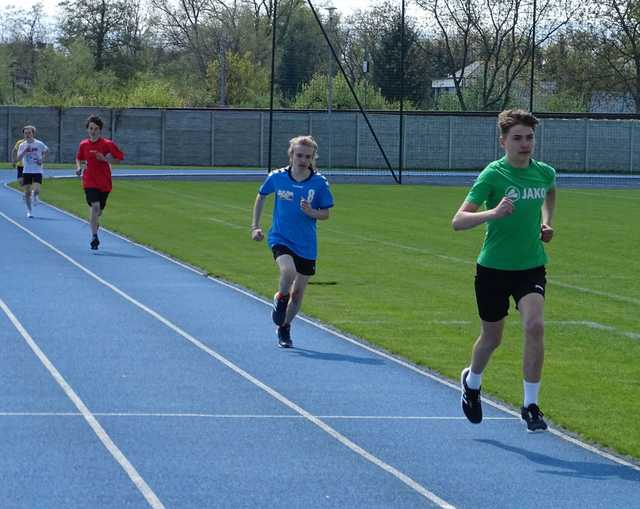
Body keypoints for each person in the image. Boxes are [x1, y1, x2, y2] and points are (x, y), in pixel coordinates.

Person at [451, 109, 557, 432]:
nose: (525, 144)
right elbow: (458, 221)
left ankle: (530, 405)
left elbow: (550, 191)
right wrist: (492, 213)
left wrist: (546, 220)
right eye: (517, 138)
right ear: (503, 141)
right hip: (493, 269)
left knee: (535, 325)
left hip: (530, 266)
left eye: (529, 138)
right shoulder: (492, 175)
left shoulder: (543, 173)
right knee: (492, 338)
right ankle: (472, 381)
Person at [251, 135, 334, 348]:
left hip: (306, 244)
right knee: (287, 272)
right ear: (291, 155)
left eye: (307, 156)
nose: (302, 159)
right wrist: (255, 226)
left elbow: (325, 214)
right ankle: (280, 298)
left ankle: (284, 328)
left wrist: (312, 211)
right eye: (299, 155)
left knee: (297, 295)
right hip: (281, 237)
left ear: (313, 158)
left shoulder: (319, 183)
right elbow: (261, 196)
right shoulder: (277, 177)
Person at [75, 115, 124, 250]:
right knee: (95, 207)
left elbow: (119, 159)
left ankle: (94, 223)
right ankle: (94, 237)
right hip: (89, 181)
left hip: (104, 183)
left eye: (96, 129)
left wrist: (105, 159)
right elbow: (78, 158)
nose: (93, 131)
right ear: (87, 130)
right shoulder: (83, 144)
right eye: (91, 128)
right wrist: (78, 168)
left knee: (98, 212)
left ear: (100, 130)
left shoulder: (107, 144)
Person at [16, 126, 48, 218]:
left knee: (37, 190)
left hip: (37, 170)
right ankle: (29, 211)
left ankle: (35, 195)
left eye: (29, 133)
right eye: (26, 133)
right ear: (23, 134)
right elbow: (18, 158)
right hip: (27, 171)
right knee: (27, 193)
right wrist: (25, 151)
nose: (27, 135)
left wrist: (42, 160)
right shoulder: (22, 145)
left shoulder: (39, 144)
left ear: (33, 134)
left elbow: (46, 151)